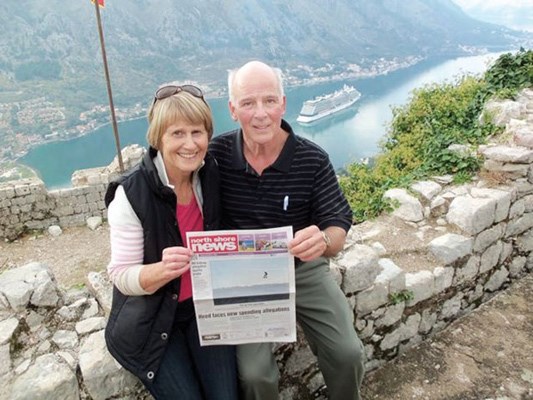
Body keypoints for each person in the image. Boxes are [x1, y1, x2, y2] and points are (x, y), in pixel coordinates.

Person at [209, 61, 365, 400]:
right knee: (254, 375)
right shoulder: (216, 156)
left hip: (302, 268)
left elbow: (338, 223)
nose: (261, 113)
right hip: (245, 276)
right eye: (248, 103)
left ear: (283, 103)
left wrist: (322, 240)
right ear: (233, 110)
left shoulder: (312, 158)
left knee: (348, 353)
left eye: (269, 100)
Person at [104, 84, 238, 400]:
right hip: (153, 318)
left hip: (203, 307)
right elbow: (121, 276)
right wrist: (163, 270)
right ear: (158, 138)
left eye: (197, 132)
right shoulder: (130, 194)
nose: (190, 144)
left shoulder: (211, 174)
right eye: (177, 133)